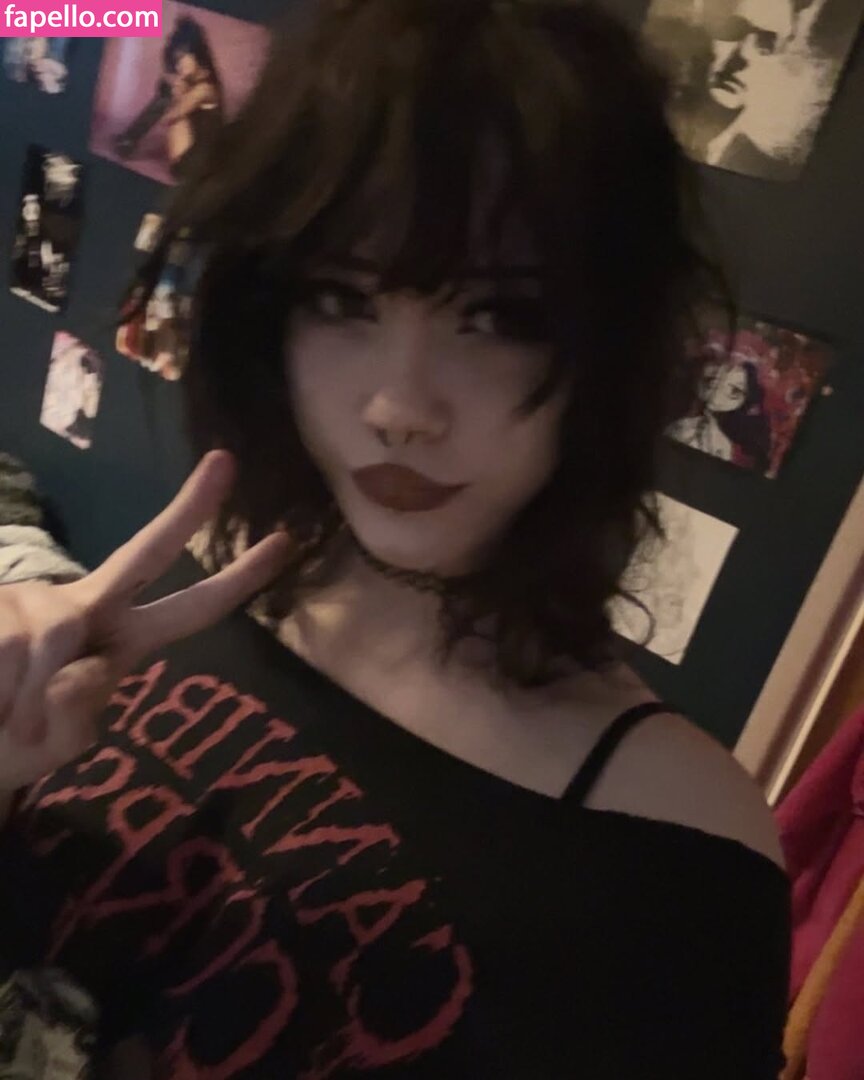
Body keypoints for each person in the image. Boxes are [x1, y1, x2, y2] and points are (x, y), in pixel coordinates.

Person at [0, 1, 791, 1077]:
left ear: (610, 347)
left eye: (501, 317)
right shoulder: (188, 588)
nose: (399, 408)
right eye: (340, 298)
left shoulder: (674, 841)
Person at [112, 16, 224, 180]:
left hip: (195, 167)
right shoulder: (201, 77)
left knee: (170, 105)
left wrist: (177, 93)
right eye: (177, 62)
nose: (179, 66)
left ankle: (129, 140)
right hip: (199, 153)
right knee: (167, 93)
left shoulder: (204, 89)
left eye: (182, 59)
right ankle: (129, 139)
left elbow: (170, 117)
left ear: (196, 54)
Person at [668, 351, 773, 471]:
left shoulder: (723, 444)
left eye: (734, 390)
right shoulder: (680, 421)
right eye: (711, 378)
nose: (717, 386)